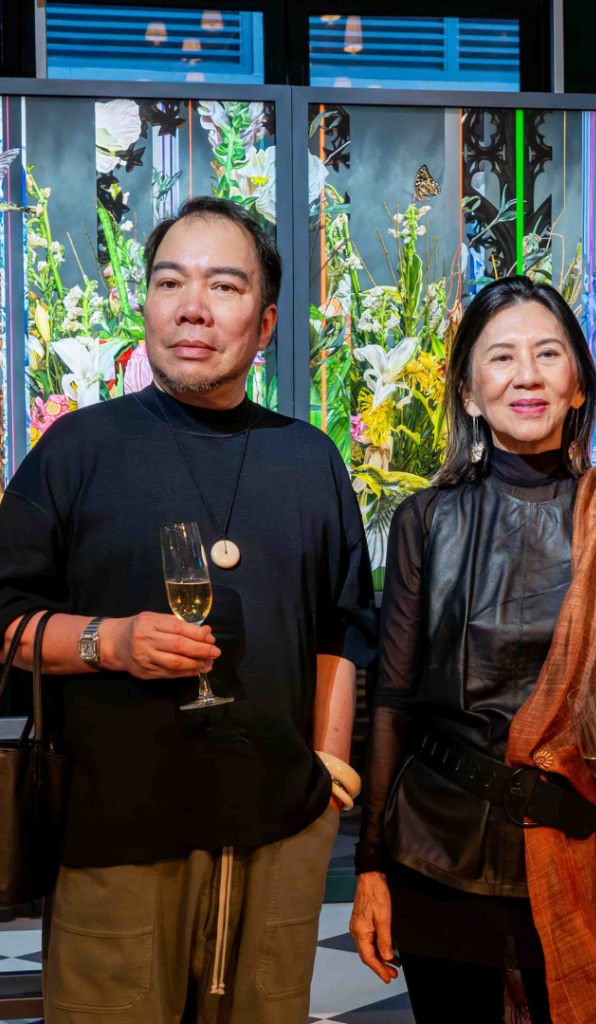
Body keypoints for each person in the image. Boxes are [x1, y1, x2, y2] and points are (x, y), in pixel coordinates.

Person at [0, 197, 377, 1023]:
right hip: (116, 834)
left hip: (280, 831)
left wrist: (331, 773)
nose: (192, 307)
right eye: (170, 282)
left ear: (265, 322)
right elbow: (6, 616)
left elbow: (341, 629)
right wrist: (109, 642)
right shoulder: (78, 449)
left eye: (224, 286)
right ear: (146, 303)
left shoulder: (308, 459)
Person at [349, 275, 596, 1024]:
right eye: (501, 357)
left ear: (577, 385)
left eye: (547, 354)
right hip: (436, 850)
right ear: (469, 392)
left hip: (579, 841)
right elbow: (393, 700)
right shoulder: (425, 520)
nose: (526, 376)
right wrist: (368, 866)